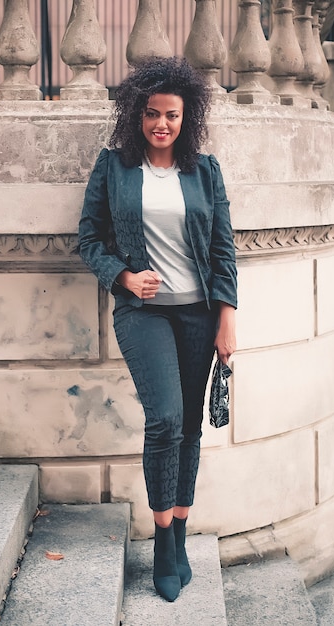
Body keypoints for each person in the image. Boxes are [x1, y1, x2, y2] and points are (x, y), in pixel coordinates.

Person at [78, 56, 237, 602]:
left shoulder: (205, 170)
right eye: (151, 114)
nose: (161, 124)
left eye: (171, 115)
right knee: (165, 418)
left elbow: (222, 250)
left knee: (189, 424)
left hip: (198, 315)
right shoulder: (114, 167)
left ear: (186, 117)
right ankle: (162, 534)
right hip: (143, 315)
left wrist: (226, 318)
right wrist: (123, 275)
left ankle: (181, 534)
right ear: (136, 114)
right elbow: (88, 239)